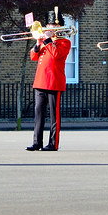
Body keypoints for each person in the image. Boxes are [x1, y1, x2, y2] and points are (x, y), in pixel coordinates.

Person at [27, 8, 72, 152]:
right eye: (49, 25)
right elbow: (33, 57)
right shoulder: (44, 42)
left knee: (54, 116)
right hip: (40, 82)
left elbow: (56, 55)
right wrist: (38, 44)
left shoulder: (64, 42)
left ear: (59, 27)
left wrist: (46, 40)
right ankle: (37, 142)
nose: (49, 28)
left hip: (54, 82)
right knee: (38, 114)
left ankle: (53, 143)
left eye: (52, 26)